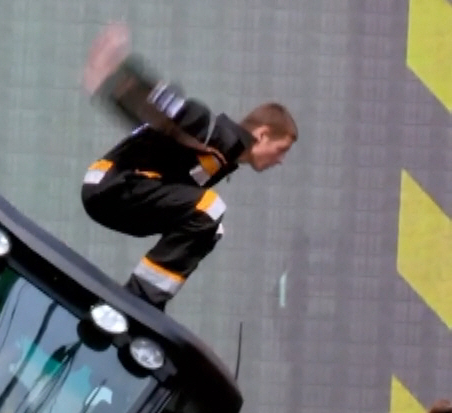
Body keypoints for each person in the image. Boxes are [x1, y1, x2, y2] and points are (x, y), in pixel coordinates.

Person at [78, 22, 298, 311]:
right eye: (281, 150)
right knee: (209, 209)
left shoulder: (223, 157)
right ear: (263, 134)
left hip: (121, 194)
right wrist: (119, 79)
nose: (280, 160)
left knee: (211, 227)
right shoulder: (215, 134)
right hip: (112, 184)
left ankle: (145, 303)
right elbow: (171, 107)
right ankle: (140, 299)